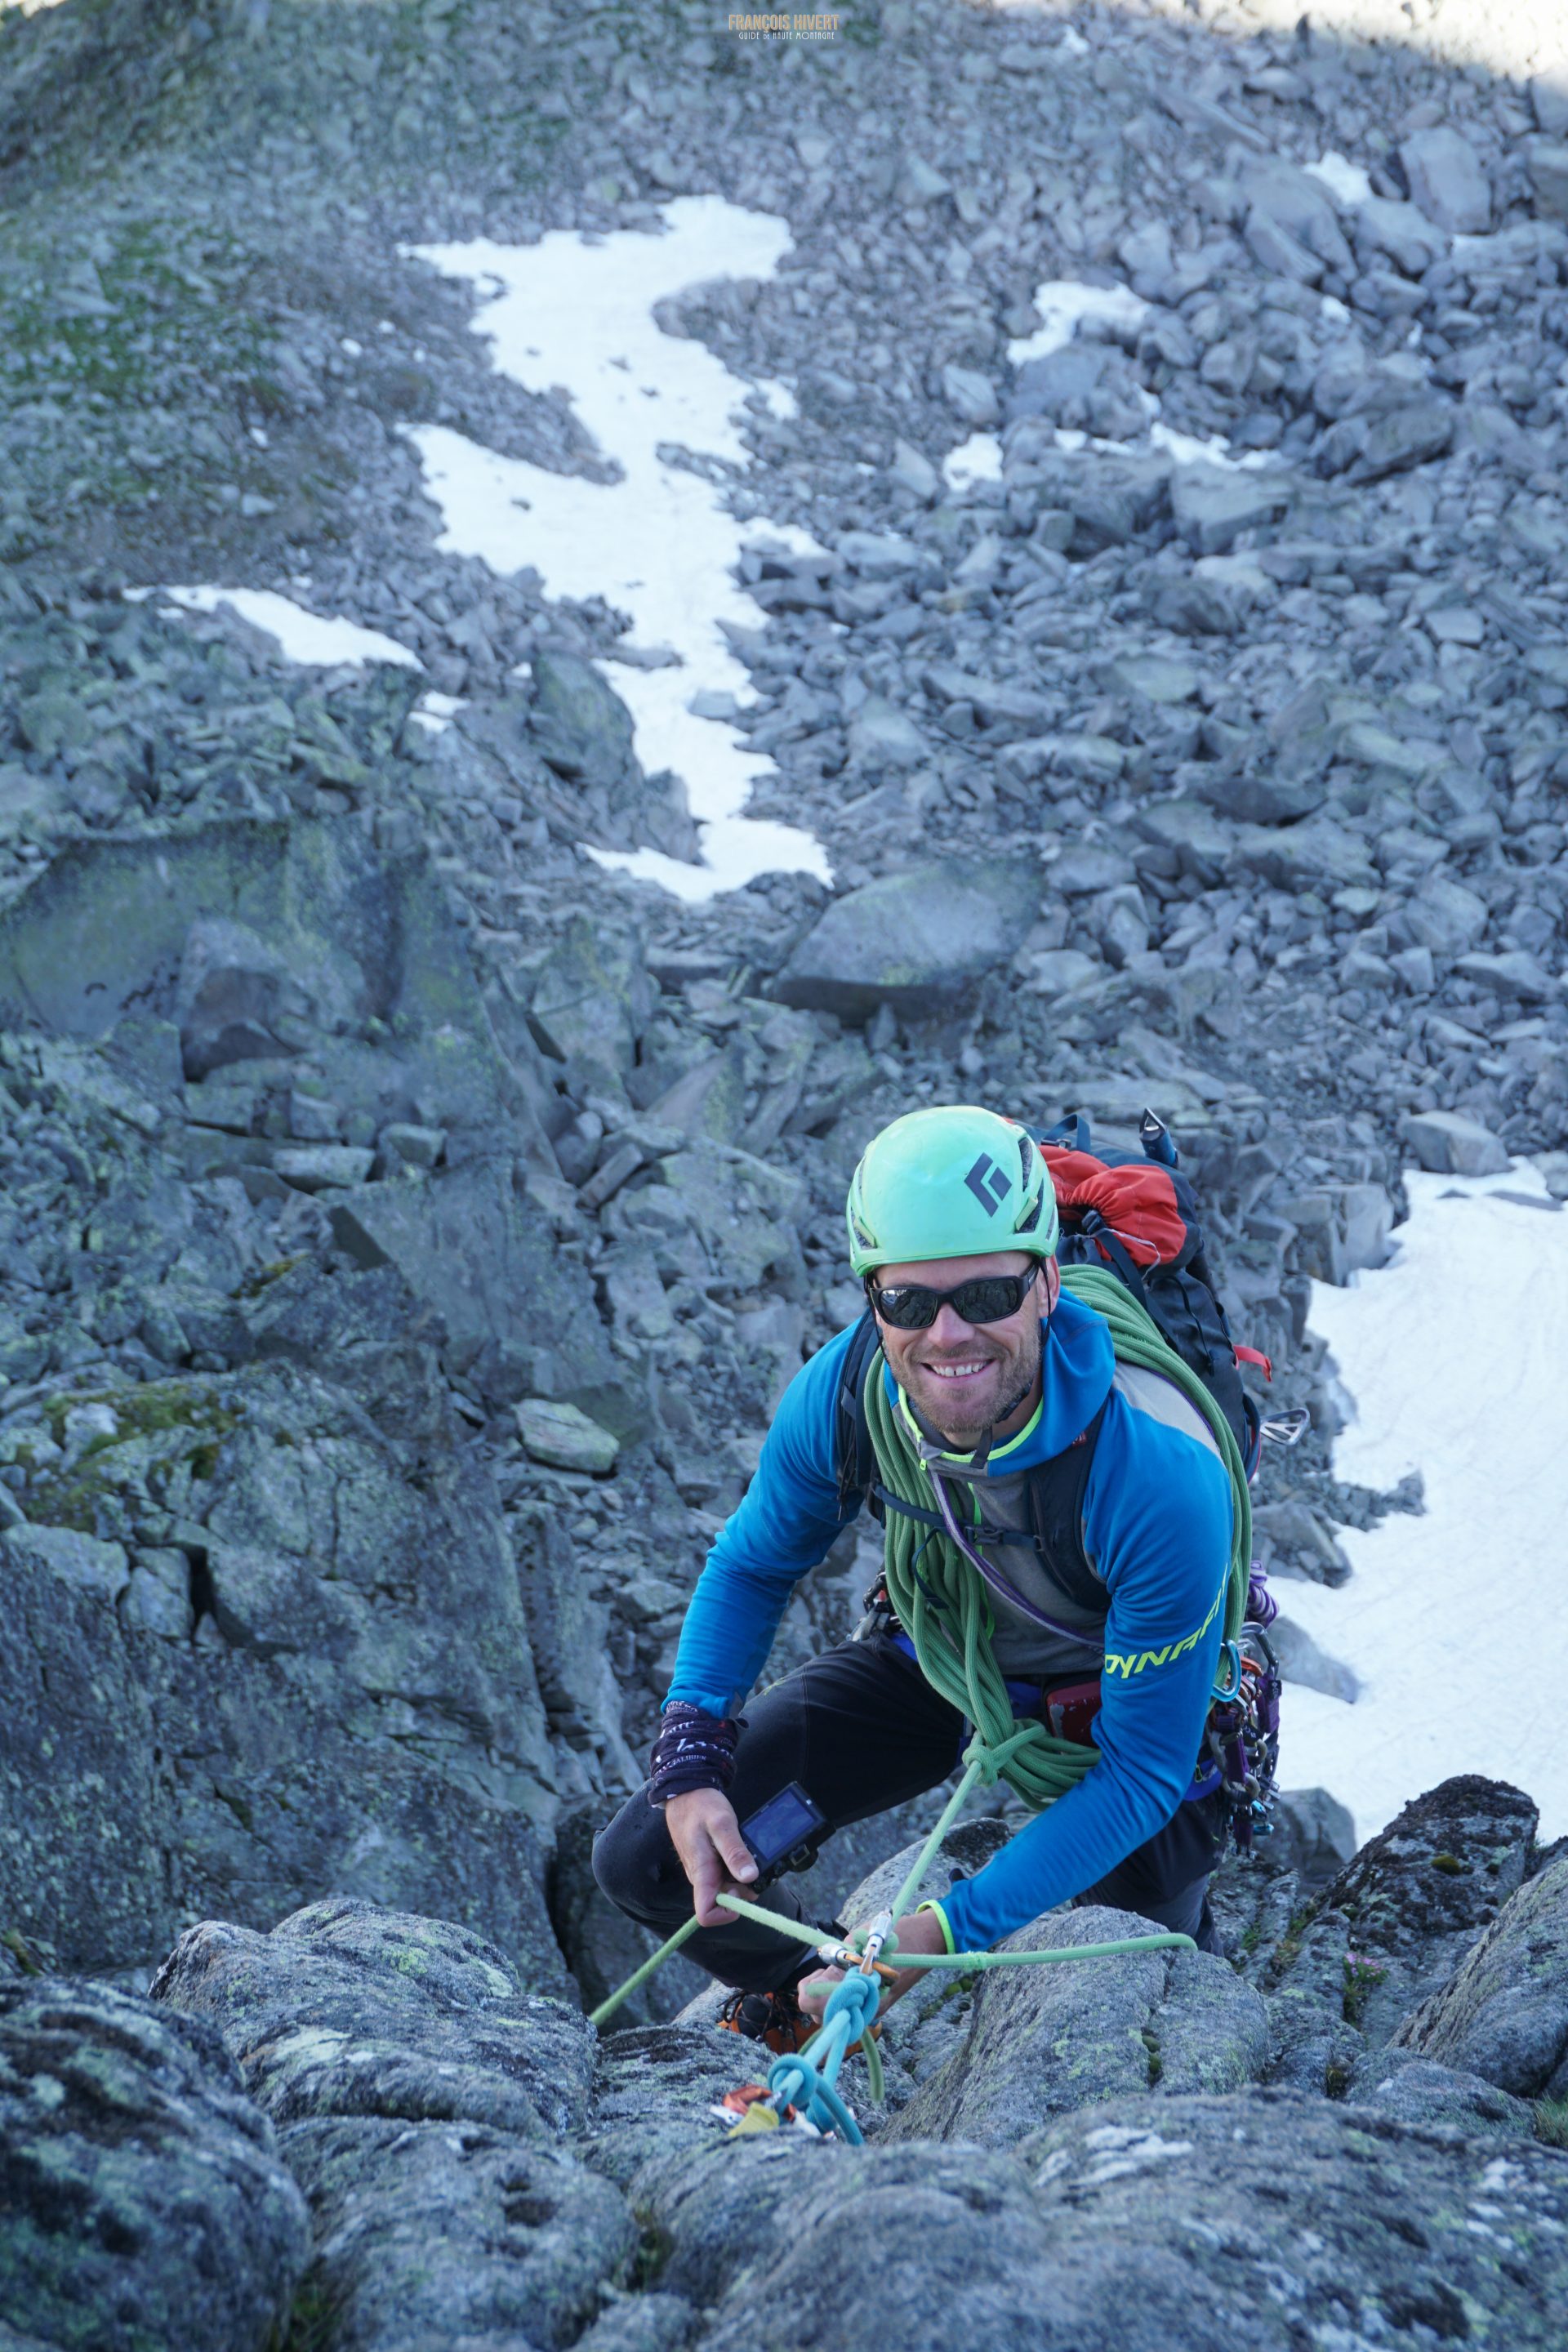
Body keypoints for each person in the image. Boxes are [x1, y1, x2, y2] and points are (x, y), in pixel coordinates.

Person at [593, 1103, 1235, 2051]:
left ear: (1048, 1282)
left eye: (985, 1297)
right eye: (907, 1303)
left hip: (1110, 1705)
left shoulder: (1159, 1478)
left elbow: (1141, 1773)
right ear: (872, 1300)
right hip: (944, 1649)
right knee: (649, 1865)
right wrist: (690, 1754)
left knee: (1138, 1952)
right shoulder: (849, 1394)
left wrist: (941, 1936)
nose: (948, 1337)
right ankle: (816, 2004)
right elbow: (754, 1560)